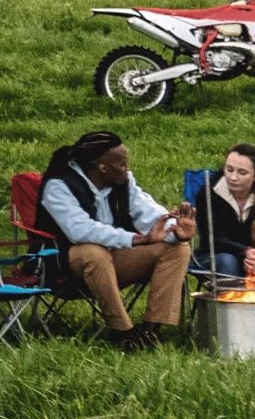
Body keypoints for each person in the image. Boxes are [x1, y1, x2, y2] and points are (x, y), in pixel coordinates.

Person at [36, 128, 189, 346]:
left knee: (177, 249)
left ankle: (151, 329)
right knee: (92, 252)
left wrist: (176, 230)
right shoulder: (59, 186)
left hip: (115, 261)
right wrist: (137, 239)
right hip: (66, 267)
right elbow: (80, 230)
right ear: (102, 167)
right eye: (122, 164)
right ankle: (122, 332)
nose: (127, 170)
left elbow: (149, 212)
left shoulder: (122, 182)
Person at [198, 143, 255, 286]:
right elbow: (211, 240)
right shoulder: (209, 193)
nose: (233, 177)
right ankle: (233, 307)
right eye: (229, 169)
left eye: (242, 173)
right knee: (228, 262)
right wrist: (245, 251)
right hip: (216, 255)